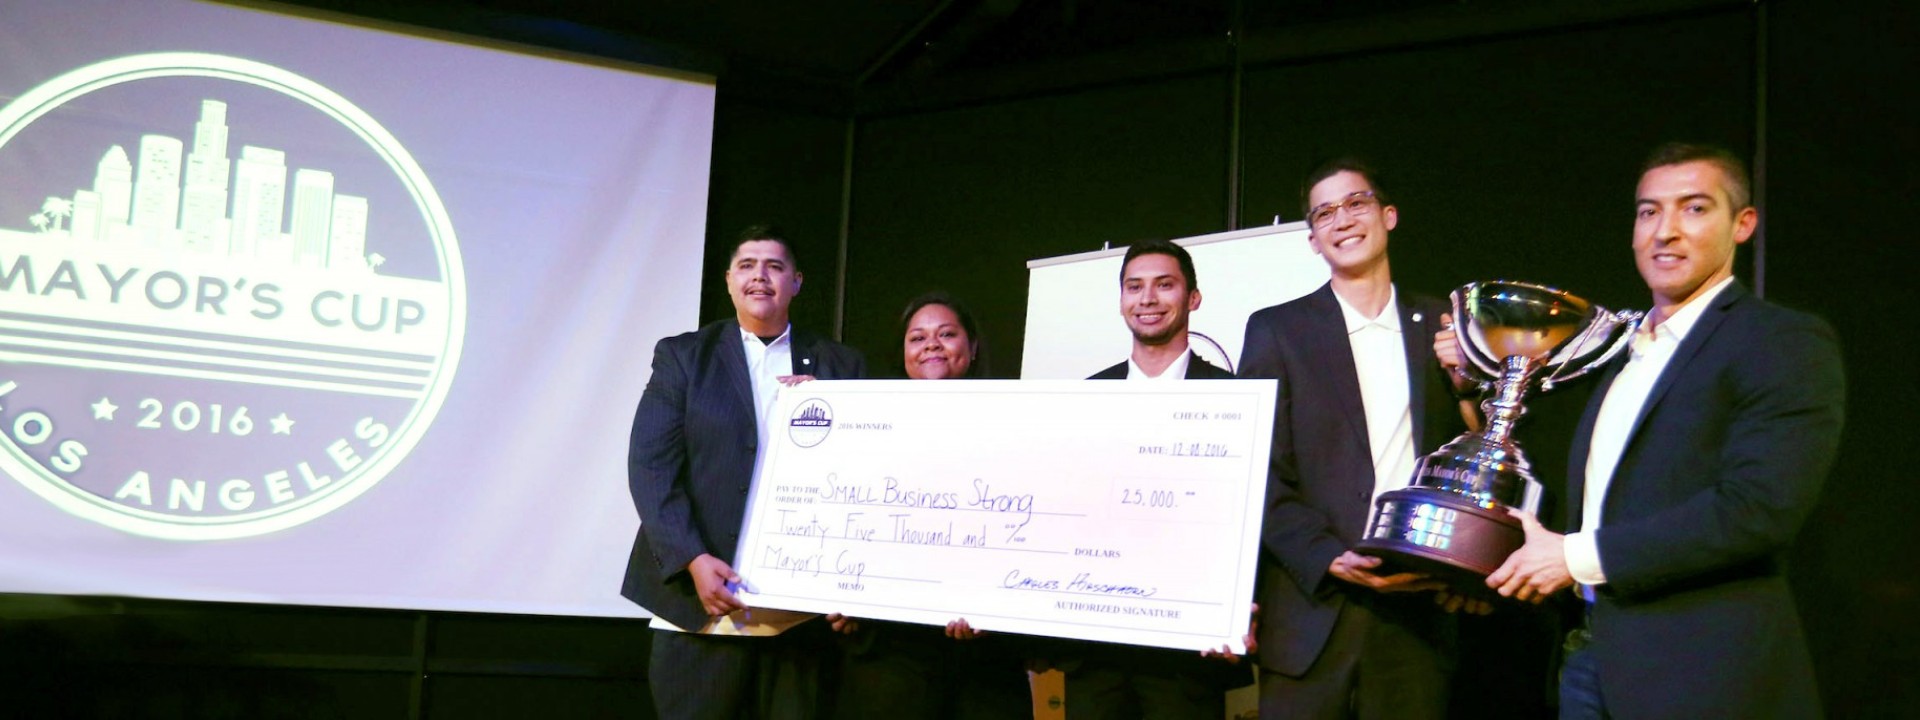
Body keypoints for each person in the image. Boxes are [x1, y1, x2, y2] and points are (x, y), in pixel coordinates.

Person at [1487, 143, 1845, 719]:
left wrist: (1575, 557)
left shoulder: (1781, 341)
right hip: (1586, 656)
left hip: (1703, 672)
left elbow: (1758, 511)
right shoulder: (1619, 352)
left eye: (1695, 209)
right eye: (1649, 211)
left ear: (1743, 224)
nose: (1665, 231)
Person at [1239, 158, 1474, 719]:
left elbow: (1480, 453)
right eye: (1324, 213)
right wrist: (1328, 557)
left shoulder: (1447, 323)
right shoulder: (1277, 330)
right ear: (1314, 240)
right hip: (1311, 612)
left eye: (1356, 203)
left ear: (1388, 216)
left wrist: (1468, 383)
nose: (1341, 220)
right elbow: (1255, 470)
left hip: (1417, 616)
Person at [622, 225, 868, 720]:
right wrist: (691, 557)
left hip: (802, 617)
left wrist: (835, 408)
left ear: (796, 282)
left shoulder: (840, 366)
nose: (761, 276)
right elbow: (650, 466)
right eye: (748, 266)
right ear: (729, 281)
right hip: (698, 608)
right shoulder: (685, 356)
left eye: (775, 266)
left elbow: (868, 475)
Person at [1057, 239, 1247, 719]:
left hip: (1188, 652)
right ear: (1121, 299)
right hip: (1095, 646)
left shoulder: (1234, 398)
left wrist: (1233, 609)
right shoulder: (1085, 398)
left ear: (1193, 298)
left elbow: (1248, 513)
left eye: (1165, 285)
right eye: (1134, 287)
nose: (1147, 299)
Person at [829, 292, 1032, 720]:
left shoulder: (1019, 426)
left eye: (947, 334)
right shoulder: (865, 430)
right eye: (917, 337)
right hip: (888, 654)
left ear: (972, 347)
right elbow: (840, 517)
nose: (931, 345)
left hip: (984, 660)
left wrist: (995, 608)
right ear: (903, 353)